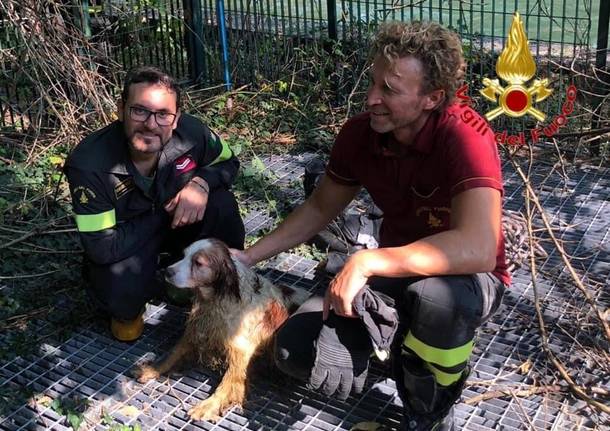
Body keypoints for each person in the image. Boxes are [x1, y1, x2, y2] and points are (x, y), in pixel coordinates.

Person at [233, 21, 510, 430]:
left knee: (435, 299)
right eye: (373, 82)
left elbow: (479, 246)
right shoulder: (360, 135)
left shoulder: (464, 136)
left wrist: (366, 263)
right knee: (294, 352)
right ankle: (400, 354)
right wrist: (247, 256)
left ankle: (429, 409)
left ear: (432, 98)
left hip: (467, 278)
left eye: (390, 90)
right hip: (393, 270)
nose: (371, 98)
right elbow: (319, 208)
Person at [65, 66, 245, 342]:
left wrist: (201, 183)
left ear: (175, 119)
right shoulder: (90, 165)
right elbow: (101, 247)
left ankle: (197, 283)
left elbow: (229, 162)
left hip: (181, 229)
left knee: (220, 204)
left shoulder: (192, 133)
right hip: (128, 243)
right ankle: (133, 300)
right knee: (122, 305)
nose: (151, 124)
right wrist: (165, 212)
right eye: (139, 111)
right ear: (121, 109)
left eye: (163, 115)